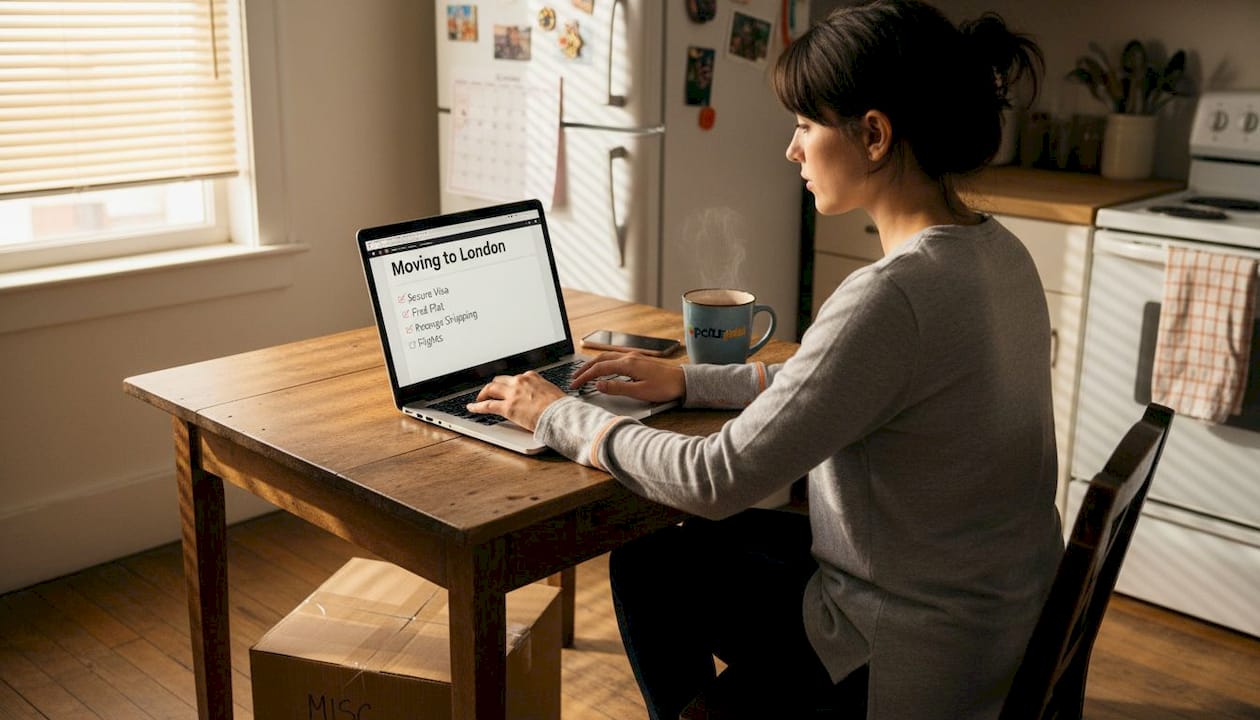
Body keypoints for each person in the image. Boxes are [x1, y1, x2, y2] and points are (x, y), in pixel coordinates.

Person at [467, 1, 1061, 717]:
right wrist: (688, 378)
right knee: (659, 560)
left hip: (904, 651)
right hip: (986, 618)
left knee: (660, 555)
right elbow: (844, 382)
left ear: (873, 135)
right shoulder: (997, 253)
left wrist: (560, 414)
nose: (792, 149)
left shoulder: (893, 294)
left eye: (806, 125)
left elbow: (716, 478)